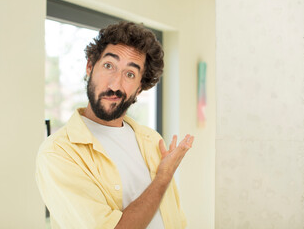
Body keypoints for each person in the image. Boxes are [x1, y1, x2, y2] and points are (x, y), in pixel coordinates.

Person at [36, 21, 194, 229]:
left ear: (139, 88)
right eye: (109, 66)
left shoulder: (152, 140)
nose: (115, 84)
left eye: (130, 74)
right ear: (90, 67)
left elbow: (175, 220)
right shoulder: (58, 153)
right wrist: (163, 177)